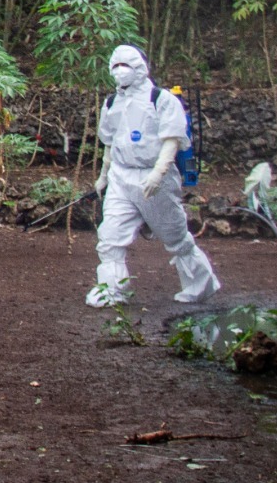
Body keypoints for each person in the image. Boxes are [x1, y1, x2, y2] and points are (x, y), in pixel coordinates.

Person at [88, 44, 221, 307]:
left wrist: (159, 173)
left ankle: (200, 284)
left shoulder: (160, 100)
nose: (119, 71)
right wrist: (104, 175)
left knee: (175, 236)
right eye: (115, 66)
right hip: (121, 177)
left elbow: (172, 139)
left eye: (125, 65)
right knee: (110, 236)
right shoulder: (112, 103)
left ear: (140, 68)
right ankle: (111, 290)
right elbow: (110, 143)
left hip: (154, 178)